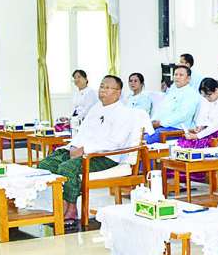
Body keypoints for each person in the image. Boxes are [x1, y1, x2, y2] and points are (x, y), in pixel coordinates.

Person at [36, 75, 150, 214]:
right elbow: (82, 132)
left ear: (118, 92)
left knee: (67, 169)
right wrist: (74, 147)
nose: (103, 90)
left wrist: (85, 150)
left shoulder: (124, 113)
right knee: (46, 165)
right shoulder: (96, 108)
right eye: (101, 86)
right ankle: (59, 203)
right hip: (82, 152)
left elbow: (115, 142)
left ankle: (71, 208)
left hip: (105, 156)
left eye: (107, 88)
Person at [145, 65, 200, 143]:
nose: (177, 77)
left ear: (188, 79)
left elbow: (183, 115)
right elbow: (161, 109)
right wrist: (152, 122)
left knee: (146, 139)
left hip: (177, 129)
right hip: (162, 126)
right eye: (175, 74)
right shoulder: (172, 91)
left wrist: (160, 123)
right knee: (138, 134)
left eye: (181, 75)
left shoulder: (191, 93)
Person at [179, 78, 218, 148]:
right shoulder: (210, 100)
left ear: (216, 90)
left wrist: (197, 136)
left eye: (209, 95)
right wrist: (202, 126)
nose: (207, 99)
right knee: (185, 141)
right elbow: (206, 117)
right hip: (212, 131)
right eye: (204, 96)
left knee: (194, 144)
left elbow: (217, 124)